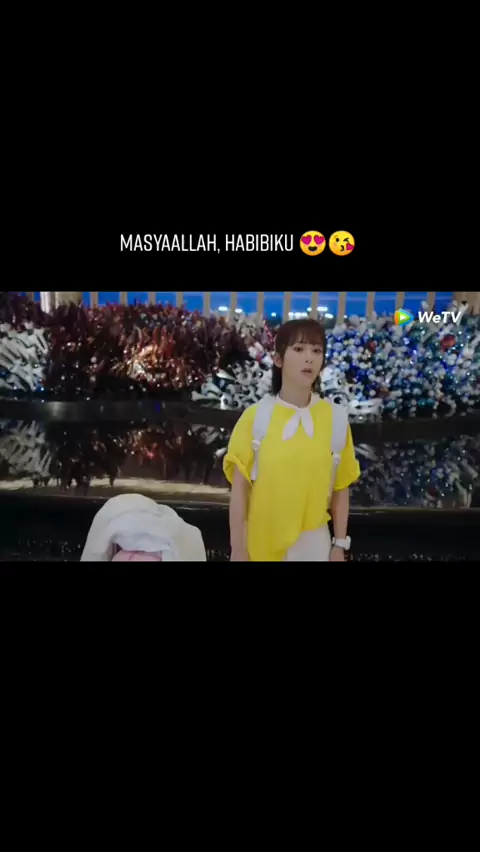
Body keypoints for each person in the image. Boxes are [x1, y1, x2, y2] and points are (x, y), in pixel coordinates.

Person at [223, 318, 360, 562]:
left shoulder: (335, 419)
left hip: (315, 546)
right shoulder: (255, 418)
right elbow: (239, 493)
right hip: (261, 544)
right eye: (298, 349)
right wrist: (238, 549)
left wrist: (339, 544)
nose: (309, 358)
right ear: (278, 359)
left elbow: (340, 487)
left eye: (316, 351)